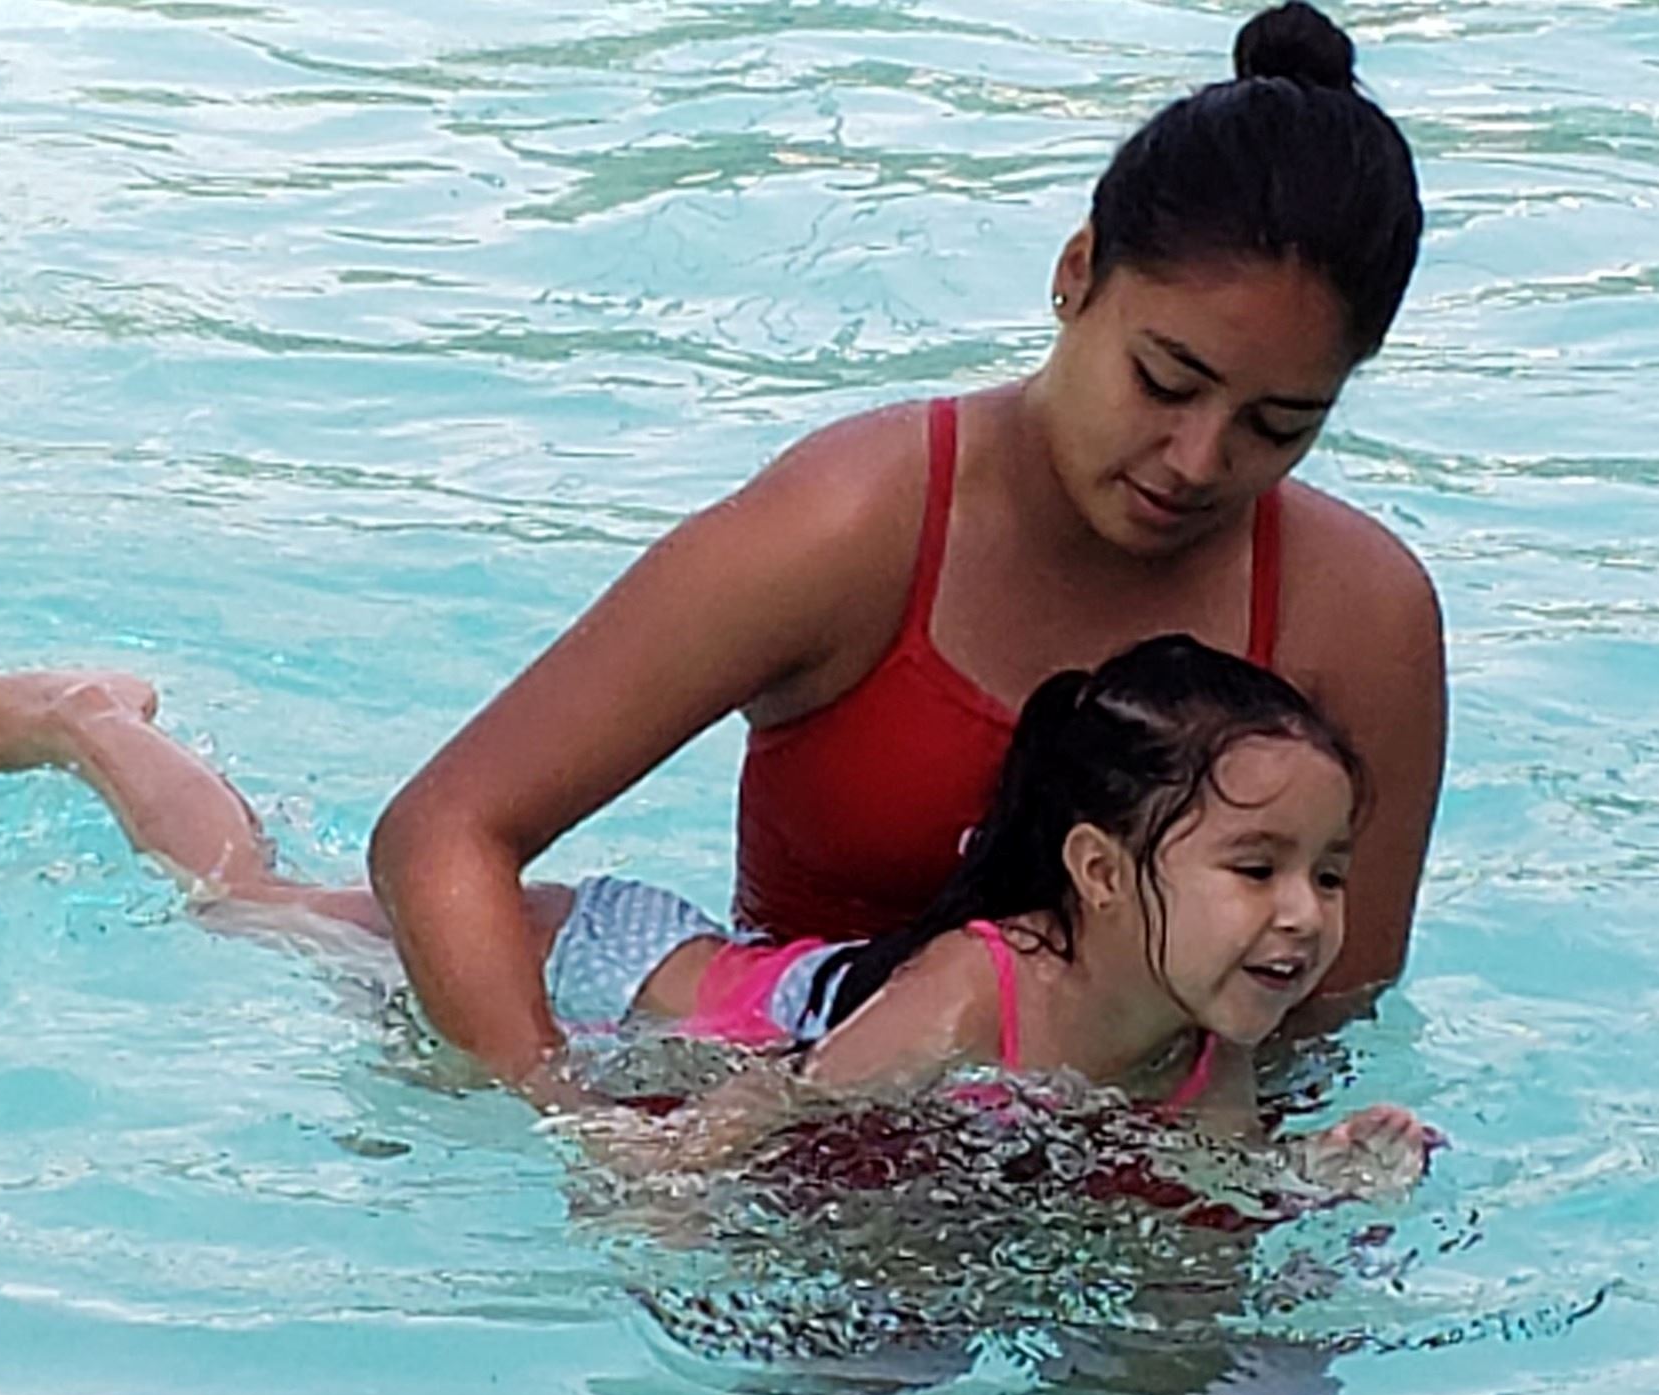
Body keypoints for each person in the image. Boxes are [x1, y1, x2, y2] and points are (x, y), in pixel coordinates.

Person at [365, 1, 1446, 1087]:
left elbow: (1323, 1024)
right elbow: (445, 830)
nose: (1198, 460)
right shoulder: (853, 524)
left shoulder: (1356, 617)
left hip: (1040, 1138)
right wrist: (561, 1122)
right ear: (1076, 272)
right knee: (273, 911)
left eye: (1279, 425)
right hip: (769, 1053)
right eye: (1164, 381)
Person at [0, 636, 1429, 1192]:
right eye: (1254, 871)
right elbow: (777, 1103)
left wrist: (1315, 1171)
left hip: (705, 976)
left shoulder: (1200, 1037)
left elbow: (1201, 1176)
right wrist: (644, 1161)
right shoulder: (978, 988)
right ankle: (90, 718)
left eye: (1328, 874)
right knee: (244, 908)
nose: (1301, 919)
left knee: (280, 903)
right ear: (1099, 873)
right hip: (609, 969)